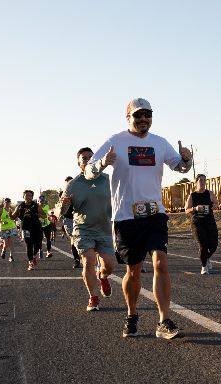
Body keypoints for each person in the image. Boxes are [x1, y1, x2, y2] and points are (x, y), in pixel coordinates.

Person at [84, 98, 193, 339]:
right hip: (126, 217)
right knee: (133, 272)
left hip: (155, 214)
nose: (143, 119)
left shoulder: (160, 142)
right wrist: (102, 163)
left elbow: (181, 168)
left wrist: (187, 159)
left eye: (147, 114)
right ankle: (132, 314)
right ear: (128, 118)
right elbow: (88, 170)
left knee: (160, 263)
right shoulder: (115, 141)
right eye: (138, 115)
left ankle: (164, 321)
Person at [60, 147, 115, 312]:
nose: (88, 160)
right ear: (79, 164)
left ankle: (102, 276)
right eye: (84, 158)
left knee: (109, 266)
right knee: (88, 261)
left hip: (105, 229)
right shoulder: (73, 184)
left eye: (91, 157)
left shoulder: (108, 179)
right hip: (83, 229)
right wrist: (62, 205)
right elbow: (62, 211)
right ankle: (93, 297)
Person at [185, 174, 220, 274]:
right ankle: (204, 266)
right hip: (197, 222)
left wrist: (215, 206)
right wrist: (195, 208)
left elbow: (216, 203)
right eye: (200, 180)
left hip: (210, 221)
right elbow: (186, 210)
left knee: (213, 245)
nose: (203, 182)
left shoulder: (210, 193)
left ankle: (207, 257)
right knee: (203, 245)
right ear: (196, 182)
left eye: (204, 180)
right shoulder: (193, 195)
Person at [9, 190, 46, 270]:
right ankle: (31, 262)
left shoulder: (36, 206)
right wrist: (10, 215)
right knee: (28, 244)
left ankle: (34, 255)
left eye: (30, 196)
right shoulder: (20, 207)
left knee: (37, 243)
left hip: (36, 226)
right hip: (25, 226)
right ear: (23, 197)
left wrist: (40, 215)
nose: (28, 197)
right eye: (26, 196)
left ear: (32, 197)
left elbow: (44, 215)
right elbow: (13, 217)